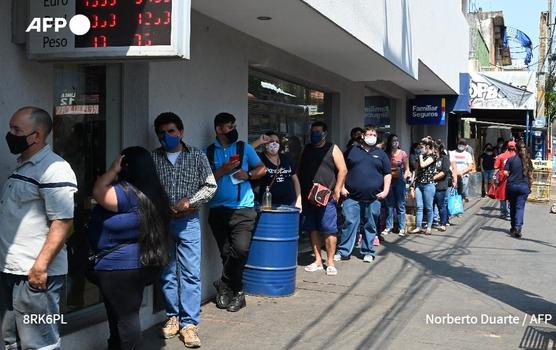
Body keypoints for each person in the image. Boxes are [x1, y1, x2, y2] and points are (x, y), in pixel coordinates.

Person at [0, 107, 77, 350]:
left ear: (36, 136)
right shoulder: (24, 165)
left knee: (40, 344)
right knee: (11, 342)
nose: (10, 134)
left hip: (36, 277)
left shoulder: (54, 169)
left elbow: (63, 222)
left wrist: (40, 268)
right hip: (13, 271)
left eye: (16, 130)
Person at [89, 147, 171, 350]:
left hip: (119, 268)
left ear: (126, 166)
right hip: (141, 262)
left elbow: (98, 191)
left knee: (126, 318)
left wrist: (112, 170)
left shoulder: (124, 192)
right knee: (121, 315)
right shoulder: (154, 191)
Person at [151, 113, 217, 347]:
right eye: (161, 132)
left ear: (180, 132)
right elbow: (147, 189)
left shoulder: (196, 156)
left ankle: (189, 324)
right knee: (167, 273)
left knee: (190, 273)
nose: (165, 136)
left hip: (188, 222)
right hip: (162, 222)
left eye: (170, 131)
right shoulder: (153, 159)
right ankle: (173, 317)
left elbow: (210, 186)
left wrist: (190, 202)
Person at [206, 112, 266, 312]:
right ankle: (236, 292)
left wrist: (248, 174)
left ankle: (223, 284)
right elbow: (203, 181)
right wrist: (222, 170)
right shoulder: (208, 152)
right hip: (217, 210)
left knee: (240, 251)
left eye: (234, 126)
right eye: (229, 127)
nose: (233, 130)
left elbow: (262, 169)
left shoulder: (244, 148)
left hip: (243, 209)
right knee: (226, 254)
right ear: (219, 129)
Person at [298, 121, 347, 276]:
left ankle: (330, 262)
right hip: (308, 196)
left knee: (329, 229)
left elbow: (343, 169)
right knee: (312, 229)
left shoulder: (332, 148)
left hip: (327, 196)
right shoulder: (307, 148)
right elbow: (299, 169)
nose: (315, 134)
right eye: (313, 131)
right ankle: (318, 260)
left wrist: (337, 189)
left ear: (325, 133)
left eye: (318, 131)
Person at [336, 126, 391, 262]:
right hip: (352, 197)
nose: (371, 136)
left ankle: (368, 251)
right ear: (363, 136)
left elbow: (387, 174)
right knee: (349, 223)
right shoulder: (351, 151)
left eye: (374, 134)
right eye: (369, 134)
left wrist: (386, 190)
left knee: (370, 225)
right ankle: (343, 251)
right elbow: (342, 169)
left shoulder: (381, 154)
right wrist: (341, 187)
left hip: (374, 198)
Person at [251, 131, 302, 208]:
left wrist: (298, 201)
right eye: (271, 141)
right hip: (268, 205)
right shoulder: (259, 158)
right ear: (265, 144)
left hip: (289, 204)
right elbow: (245, 151)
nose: (274, 144)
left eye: (277, 141)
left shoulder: (285, 158)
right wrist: (259, 141)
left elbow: (295, 180)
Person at [382, 134, 411, 236]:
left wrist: (405, 177)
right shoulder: (386, 154)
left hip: (399, 181)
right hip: (388, 181)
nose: (395, 142)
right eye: (393, 140)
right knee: (389, 205)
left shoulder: (402, 153)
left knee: (400, 205)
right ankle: (388, 226)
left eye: (397, 140)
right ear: (390, 142)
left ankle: (401, 227)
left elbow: (407, 168)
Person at [504, 141, 533, 238]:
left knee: (512, 207)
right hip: (523, 187)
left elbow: (505, 173)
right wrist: (530, 187)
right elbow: (531, 176)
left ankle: (513, 227)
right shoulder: (528, 161)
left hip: (511, 186)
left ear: (515, 149)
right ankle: (518, 227)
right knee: (520, 207)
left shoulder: (510, 160)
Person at [410, 137, 437, 235]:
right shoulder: (420, 156)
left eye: (422, 147)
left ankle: (429, 226)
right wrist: (412, 182)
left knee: (429, 207)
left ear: (428, 146)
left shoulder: (433, 156)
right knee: (419, 206)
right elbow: (417, 168)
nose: (420, 149)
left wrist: (420, 156)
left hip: (428, 185)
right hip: (419, 184)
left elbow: (423, 165)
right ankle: (418, 226)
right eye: (419, 147)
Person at [494, 141, 516, 219]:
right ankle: (510, 213)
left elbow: (496, 168)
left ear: (507, 147)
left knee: (502, 195)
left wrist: (494, 179)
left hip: (502, 178)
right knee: (512, 196)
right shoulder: (518, 156)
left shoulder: (501, 156)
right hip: (514, 178)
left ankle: (503, 213)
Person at [432, 141, 452, 232]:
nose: (433, 150)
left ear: (438, 149)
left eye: (434, 148)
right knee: (430, 205)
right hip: (430, 186)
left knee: (441, 205)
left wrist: (432, 178)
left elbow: (444, 172)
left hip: (440, 185)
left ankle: (443, 223)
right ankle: (432, 222)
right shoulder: (431, 158)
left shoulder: (445, 158)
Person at [450, 139, 474, 203]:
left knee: (462, 191)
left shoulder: (468, 154)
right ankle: (456, 205)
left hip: (464, 175)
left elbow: (470, 166)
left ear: (466, 146)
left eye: (463, 144)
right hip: (454, 175)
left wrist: (462, 172)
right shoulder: (452, 153)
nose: (461, 146)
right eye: (460, 144)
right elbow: (450, 164)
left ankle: (461, 203)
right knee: (454, 191)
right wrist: (455, 172)